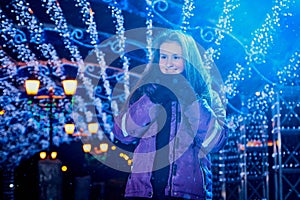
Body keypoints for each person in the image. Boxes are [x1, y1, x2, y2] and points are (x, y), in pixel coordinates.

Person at [112, 29, 227, 200]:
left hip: (187, 192)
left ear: (188, 60)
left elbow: (215, 142)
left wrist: (192, 101)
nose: (169, 63)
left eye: (176, 57)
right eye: (164, 57)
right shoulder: (145, 91)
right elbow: (123, 133)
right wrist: (150, 99)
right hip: (143, 192)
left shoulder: (207, 96)